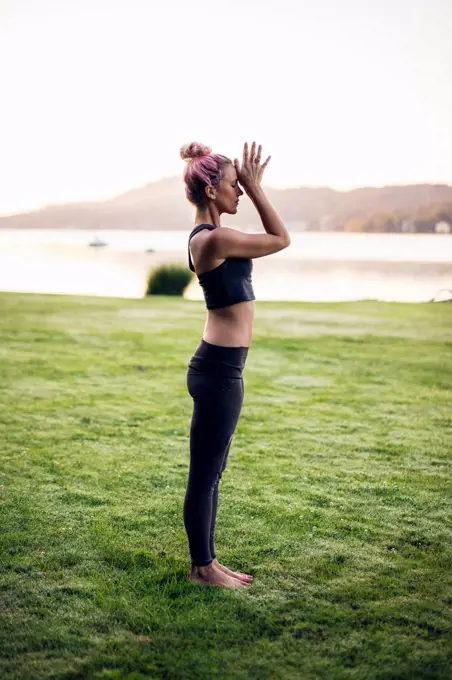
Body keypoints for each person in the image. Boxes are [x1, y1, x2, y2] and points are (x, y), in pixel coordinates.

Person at [181, 140, 290, 588]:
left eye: (242, 185)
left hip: (222, 368)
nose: (240, 192)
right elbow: (281, 239)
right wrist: (258, 186)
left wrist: (215, 165)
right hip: (219, 372)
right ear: (211, 192)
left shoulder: (208, 235)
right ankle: (202, 569)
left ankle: (208, 562)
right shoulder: (215, 238)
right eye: (233, 185)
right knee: (205, 474)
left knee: (212, 473)